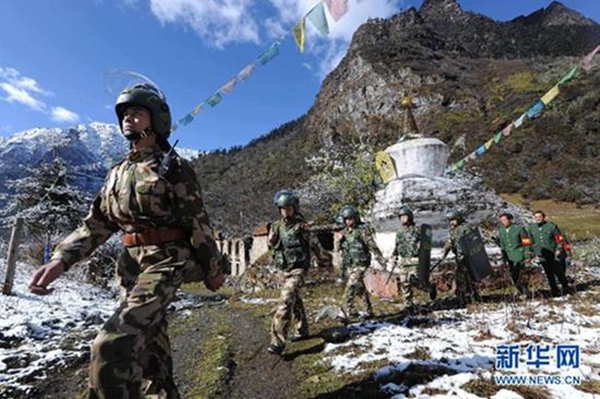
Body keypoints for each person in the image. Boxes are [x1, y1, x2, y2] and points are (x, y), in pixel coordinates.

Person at [28, 83, 225, 399]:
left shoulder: (173, 167)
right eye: (124, 114)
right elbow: (97, 223)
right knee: (148, 344)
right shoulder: (117, 173)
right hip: (130, 266)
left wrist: (213, 269)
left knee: (112, 344)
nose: (128, 119)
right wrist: (60, 260)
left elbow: (197, 221)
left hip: (167, 260)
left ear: (157, 120)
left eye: (137, 112)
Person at [267, 191, 311, 355]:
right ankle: (302, 330)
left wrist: (325, 263)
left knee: (285, 300)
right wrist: (270, 242)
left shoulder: (302, 226)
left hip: (299, 269)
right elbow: (273, 247)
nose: (286, 211)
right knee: (295, 299)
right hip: (284, 269)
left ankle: (277, 341)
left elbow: (314, 246)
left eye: (289, 208)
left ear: (295, 208)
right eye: (282, 208)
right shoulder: (276, 226)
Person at [337, 205, 386, 323]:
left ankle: (344, 312)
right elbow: (340, 250)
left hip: (361, 264)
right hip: (350, 264)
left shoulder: (362, 230)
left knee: (351, 286)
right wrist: (338, 240)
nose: (349, 221)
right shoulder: (344, 233)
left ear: (356, 218)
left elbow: (372, 246)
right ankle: (369, 311)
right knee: (359, 289)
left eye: (351, 218)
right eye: (346, 219)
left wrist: (381, 260)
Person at [389, 206, 436, 311]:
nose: (402, 219)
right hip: (404, 260)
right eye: (401, 217)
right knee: (404, 282)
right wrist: (394, 256)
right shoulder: (399, 232)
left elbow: (426, 242)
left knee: (414, 280)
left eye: (404, 216)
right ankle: (408, 305)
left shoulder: (417, 230)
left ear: (409, 217)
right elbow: (397, 246)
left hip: (415, 259)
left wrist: (424, 256)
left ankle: (429, 288)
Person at [440, 209, 481, 306]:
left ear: (458, 219)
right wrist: (443, 255)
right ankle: (463, 299)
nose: (451, 222)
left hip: (469, 259)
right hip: (460, 259)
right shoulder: (453, 231)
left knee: (468, 279)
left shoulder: (466, 228)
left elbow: (474, 242)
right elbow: (449, 244)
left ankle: (473, 298)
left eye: (453, 220)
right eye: (450, 220)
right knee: (462, 279)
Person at [527, 210, 572, 296]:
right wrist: (530, 251)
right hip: (541, 254)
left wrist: (559, 249)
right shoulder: (531, 227)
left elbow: (560, 239)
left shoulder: (551, 226)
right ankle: (554, 290)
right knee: (548, 273)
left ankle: (565, 286)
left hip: (553, 253)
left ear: (544, 217)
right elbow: (530, 241)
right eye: (536, 217)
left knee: (558, 271)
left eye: (540, 217)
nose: (538, 219)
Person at [496, 212, 533, 297]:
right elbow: (502, 244)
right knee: (513, 275)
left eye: (504, 220)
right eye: (501, 220)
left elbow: (526, 242)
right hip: (509, 256)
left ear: (510, 220)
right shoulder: (501, 231)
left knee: (519, 274)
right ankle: (521, 290)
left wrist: (527, 255)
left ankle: (524, 291)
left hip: (519, 254)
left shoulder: (519, 228)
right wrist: (503, 255)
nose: (503, 222)